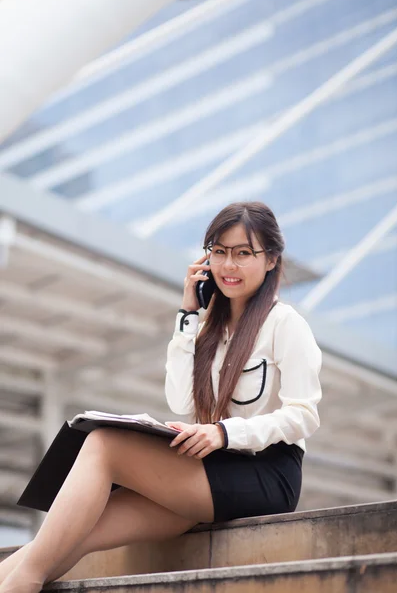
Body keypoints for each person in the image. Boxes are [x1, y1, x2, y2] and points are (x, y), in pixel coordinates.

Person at [0, 201, 322, 592]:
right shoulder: (208, 329)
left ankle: (25, 586)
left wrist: (224, 433)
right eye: (218, 252)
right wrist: (188, 315)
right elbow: (181, 403)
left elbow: (303, 415)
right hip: (213, 470)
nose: (228, 265)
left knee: (104, 443)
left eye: (242, 253)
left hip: (266, 473)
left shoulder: (285, 324)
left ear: (271, 259)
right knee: (71, 535)